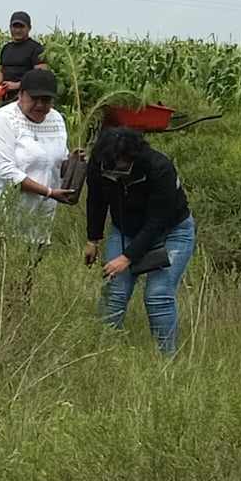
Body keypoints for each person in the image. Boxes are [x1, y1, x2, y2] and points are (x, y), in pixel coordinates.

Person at [85, 126, 196, 355]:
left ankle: (167, 360)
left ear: (133, 157)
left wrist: (127, 258)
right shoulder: (99, 163)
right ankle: (101, 355)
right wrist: (93, 239)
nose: (115, 170)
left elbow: (157, 221)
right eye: (110, 165)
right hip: (125, 229)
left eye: (121, 165)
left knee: (158, 294)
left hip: (171, 232)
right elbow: (96, 200)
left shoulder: (160, 168)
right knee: (115, 290)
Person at [0, 65, 73, 237]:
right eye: (34, 98)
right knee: (6, 261)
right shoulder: (4, 119)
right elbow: (6, 172)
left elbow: (58, 162)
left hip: (40, 214)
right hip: (3, 209)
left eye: (46, 100)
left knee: (34, 261)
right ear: (20, 95)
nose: (40, 105)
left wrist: (74, 163)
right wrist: (49, 192)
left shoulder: (56, 119)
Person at [0, 11, 46, 102]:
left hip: (27, 98)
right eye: (15, 27)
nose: (17, 30)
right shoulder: (6, 48)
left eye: (21, 27)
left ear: (29, 28)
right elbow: (1, 71)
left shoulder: (36, 49)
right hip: (6, 98)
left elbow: (40, 76)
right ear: (10, 28)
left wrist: (17, 85)